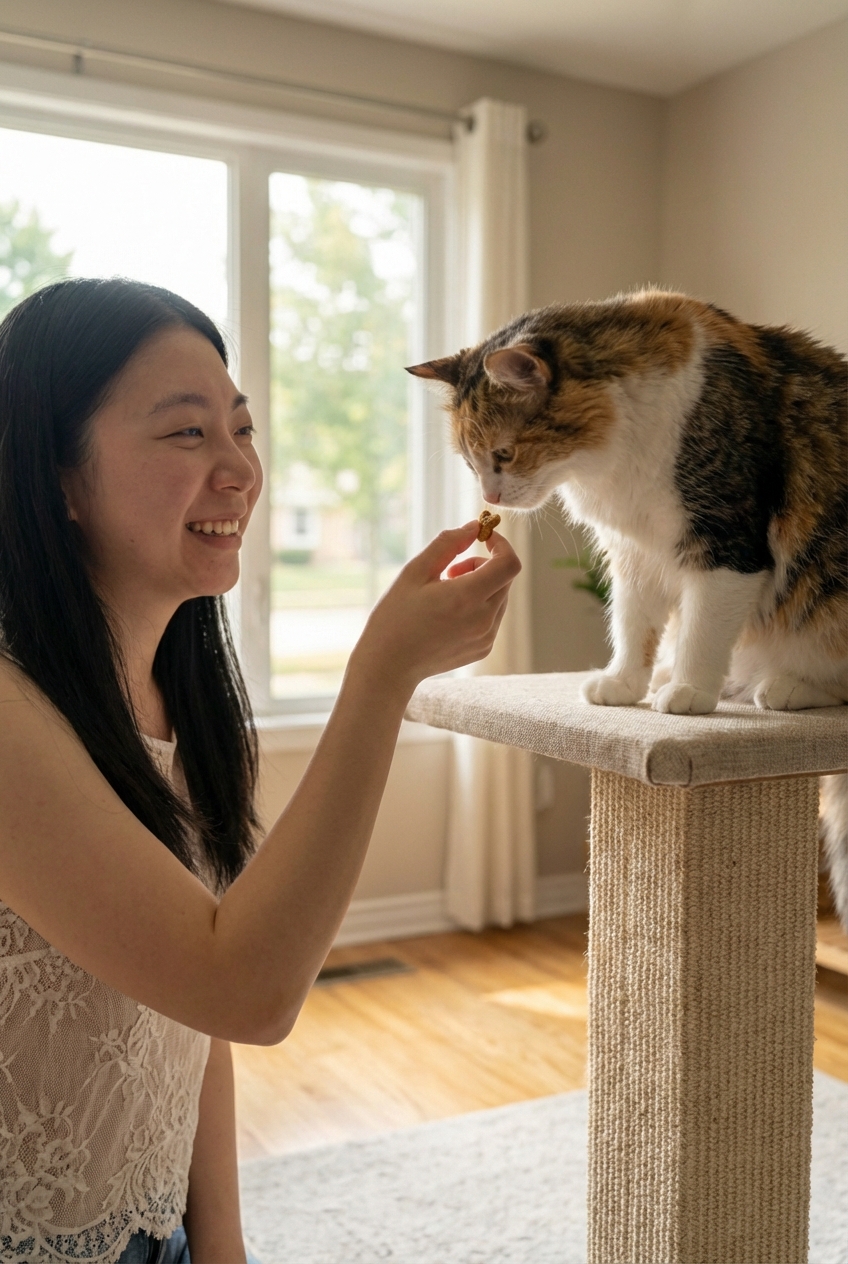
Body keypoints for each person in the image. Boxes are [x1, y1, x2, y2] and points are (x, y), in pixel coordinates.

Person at [0, 278, 519, 1264]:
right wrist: (382, 675)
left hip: (155, 1229)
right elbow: (242, 985)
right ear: (56, 477)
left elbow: (191, 1009)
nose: (240, 468)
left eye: (240, 429)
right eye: (187, 434)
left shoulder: (176, 704)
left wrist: (222, 1241)